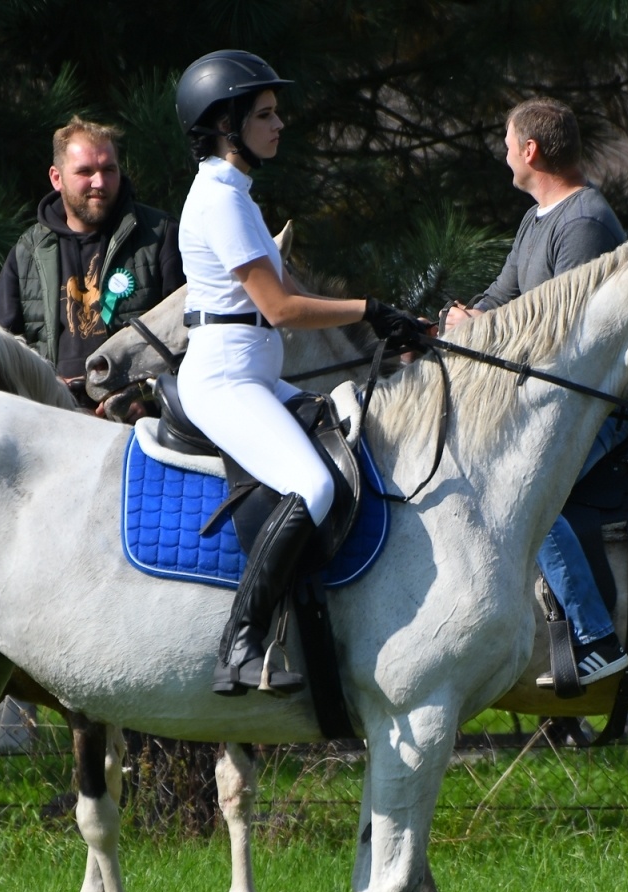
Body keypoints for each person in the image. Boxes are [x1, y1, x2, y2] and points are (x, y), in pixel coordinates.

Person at [173, 49, 428, 697]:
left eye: (275, 113)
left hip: (256, 378)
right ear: (225, 125)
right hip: (225, 383)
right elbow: (280, 307)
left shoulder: (240, 197)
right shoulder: (219, 201)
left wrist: (387, 320)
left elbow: (297, 290)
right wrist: (369, 309)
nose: (278, 124)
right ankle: (238, 645)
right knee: (312, 486)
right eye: (264, 114)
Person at [446, 98, 628, 689]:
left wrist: (486, 334)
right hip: (551, 401)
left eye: (507, 141)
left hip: (597, 407)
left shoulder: (585, 225)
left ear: (531, 151)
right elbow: (506, 297)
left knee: (523, 484)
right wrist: (464, 318)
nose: (502, 151)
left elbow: (568, 341)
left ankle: (597, 638)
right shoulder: (538, 219)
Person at [0, 117, 186, 390]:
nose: (100, 182)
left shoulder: (159, 235)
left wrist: (144, 399)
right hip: (55, 414)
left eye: (109, 169)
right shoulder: (28, 252)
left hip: (134, 414)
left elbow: (188, 333)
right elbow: (0, 352)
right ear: (57, 178)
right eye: (85, 172)